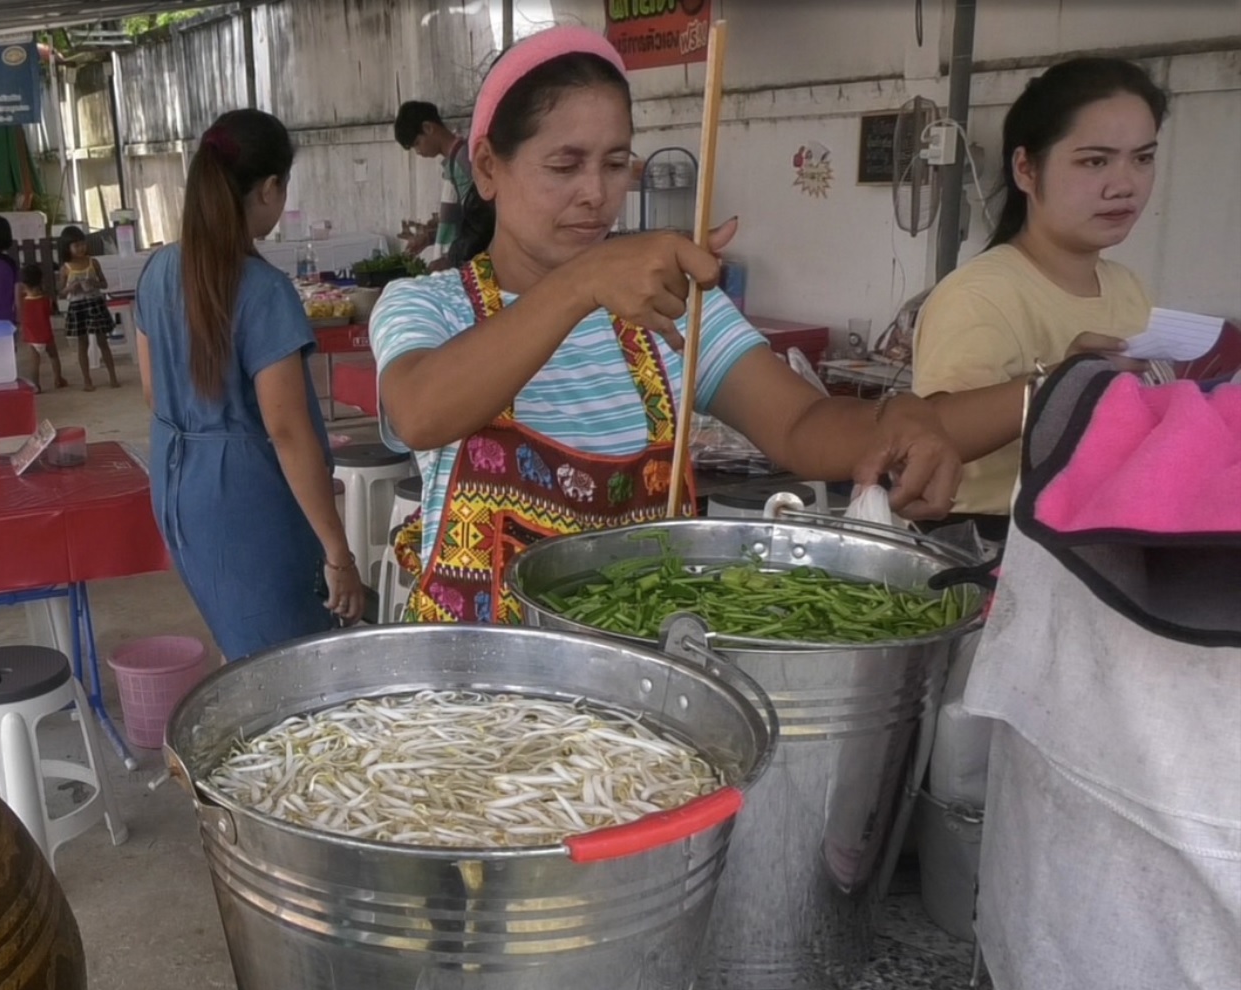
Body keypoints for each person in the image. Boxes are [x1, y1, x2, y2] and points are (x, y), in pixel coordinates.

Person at [371, 27, 964, 625]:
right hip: (474, 701)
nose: (596, 194)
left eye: (615, 164)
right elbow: (422, 413)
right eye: (565, 165)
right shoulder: (431, 305)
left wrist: (901, 419)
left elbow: (801, 425)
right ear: (488, 168)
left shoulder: (669, 310)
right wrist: (583, 283)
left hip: (643, 687)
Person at [135, 108, 363, 661]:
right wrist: (339, 552)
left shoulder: (160, 270)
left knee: (242, 644)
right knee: (286, 664)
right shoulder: (263, 291)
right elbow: (288, 432)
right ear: (269, 188)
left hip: (177, 486)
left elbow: (152, 393)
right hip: (245, 499)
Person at [912, 57, 1169, 536]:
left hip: (1102, 538)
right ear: (1026, 169)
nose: (1124, 184)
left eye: (1143, 158)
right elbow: (930, 434)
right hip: (994, 545)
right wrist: (1058, 380)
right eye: (1094, 161)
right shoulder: (980, 296)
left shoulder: (1128, 288)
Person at [393, 101, 473, 264]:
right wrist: (429, 237)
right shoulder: (452, 163)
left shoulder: (463, 161)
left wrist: (449, 260)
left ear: (428, 128)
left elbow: (477, 223)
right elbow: (457, 220)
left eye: (417, 143)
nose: (418, 152)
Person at [59, 225, 120, 391]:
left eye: (82, 244)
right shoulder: (66, 268)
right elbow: (61, 293)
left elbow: (104, 283)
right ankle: (87, 380)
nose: (80, 248)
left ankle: (113, 377)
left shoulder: (93, 262)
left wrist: (94, 283)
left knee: (103, 341)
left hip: (95, 303)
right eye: (76, 245)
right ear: (67, 248)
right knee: (82, 343)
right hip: (77, 306)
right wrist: (70, 288)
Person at [18, 263, 66, 391]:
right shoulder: (46, 299)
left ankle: (36, 385)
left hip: (31, 336)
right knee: (54, 356)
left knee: (34, 362)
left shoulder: (23, 302)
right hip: (46, 334)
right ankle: (58, 379)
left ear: (24, 284)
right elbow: (50, 311)